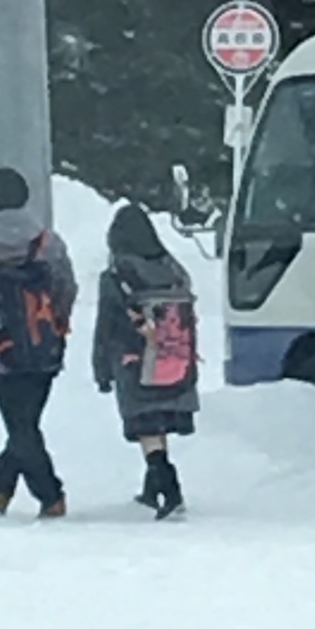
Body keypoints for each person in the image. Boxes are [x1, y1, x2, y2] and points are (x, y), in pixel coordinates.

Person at [0, 167, 77, 519]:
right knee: (26, 424)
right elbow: (66, 286)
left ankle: (51, 496)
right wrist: (57, 322)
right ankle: (0, 487)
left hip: (3, 354)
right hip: (45, 350)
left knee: (21, 427)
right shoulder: (47, 241)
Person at [93, 204, 199, 519]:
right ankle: (152, 490)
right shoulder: (173, 268)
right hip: (176, 361)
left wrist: (101, 369)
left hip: (134, 362)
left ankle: (169, 488)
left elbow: (106, 327)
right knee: (158, 422)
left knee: (147, 427)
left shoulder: (117, 276)